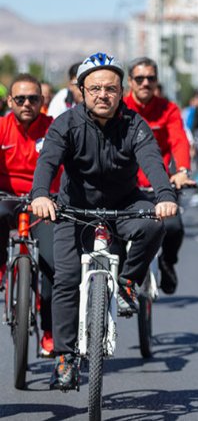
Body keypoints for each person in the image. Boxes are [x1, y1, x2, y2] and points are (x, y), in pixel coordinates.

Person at [30, 52, 178, 391]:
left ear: (121, 91)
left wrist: (165, 195)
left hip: (123, 204)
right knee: (66, 279)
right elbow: (48, 162)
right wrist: (41, 195)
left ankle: (127, 283)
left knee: (155, 224)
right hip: (74, 209)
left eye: (110, 88)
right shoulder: (65, 124)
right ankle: (65, 357)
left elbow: (153, 162)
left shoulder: (134, 124)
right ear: (81, 91)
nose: (103, 95)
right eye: (94, 88)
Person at [0, 73, 60, 356]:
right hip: (7, 198)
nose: (26, 103)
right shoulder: (1, 127)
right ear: (10, 101)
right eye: (20, 98)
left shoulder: (56, 129)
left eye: (33, 99)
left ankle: (49, 331)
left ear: (42, 101)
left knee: (52, 266)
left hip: (45, 203)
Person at [124, 57, 194, 294]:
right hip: (127, 187)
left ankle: (167, 262)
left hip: (160, 184)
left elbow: (179, 140)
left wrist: (182, 171)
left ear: (156, 82)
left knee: (174, 228)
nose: (145, 83)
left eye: (150, 78)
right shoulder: (120, 107)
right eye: (140, 78)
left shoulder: (168, 108)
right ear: (130, 82)